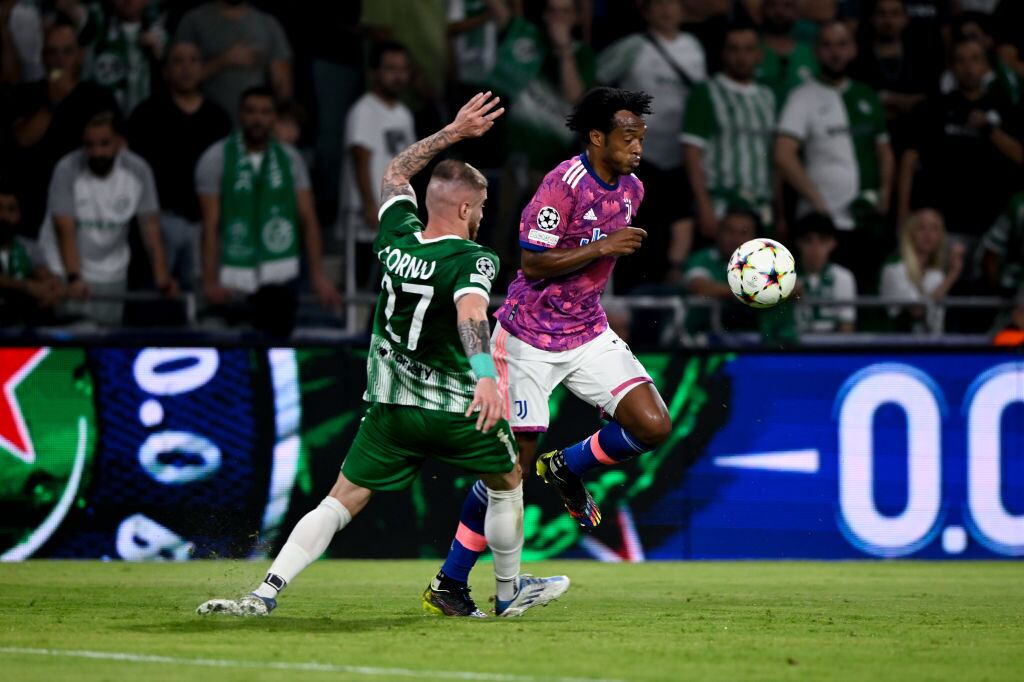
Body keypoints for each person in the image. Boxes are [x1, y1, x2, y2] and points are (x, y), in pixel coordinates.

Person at [197, 92, 569, 619]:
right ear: (466, 209)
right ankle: (509, 591)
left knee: (339, 499)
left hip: (390, 409)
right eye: (481, 208)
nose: (483, 216)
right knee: (508, 482)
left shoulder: (395, 236)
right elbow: (470, 314)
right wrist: (485, 375)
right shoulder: (472, 258)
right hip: (454, 408)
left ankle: (264, 594)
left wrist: (454, 132)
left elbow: (396, 169)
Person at [423, 88, 672, 610]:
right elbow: (532, 264)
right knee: (507, 476)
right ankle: (449, 584)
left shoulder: (632, 189)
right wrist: (604, 245)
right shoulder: (563, 185)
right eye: (628, 137)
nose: (637, 147)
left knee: (652, 425)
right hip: (526, 340)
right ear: (597, 137)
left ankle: (569, 467)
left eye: (641, 137)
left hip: (587, 333)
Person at [195, 86, 341, 335]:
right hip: (233, 273)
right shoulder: (216, 158)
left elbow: (308, 220)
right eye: (251, 111)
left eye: (265, 112)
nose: (257, 118)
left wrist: (317, 276)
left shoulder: (291, 159)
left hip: (279, 279)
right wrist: (210, 280)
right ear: (240, 115)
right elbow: (210, 225)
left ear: (274, 117)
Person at [775, 20, 893, 287]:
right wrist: (817, 202)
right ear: (816, 52)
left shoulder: (866, 95)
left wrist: (885, 193)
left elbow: (884, 151)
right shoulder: (802, 96)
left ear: (853, 49)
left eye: (842, 45)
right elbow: (783, 155)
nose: (835, 52)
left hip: (865, 219)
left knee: (860, 295)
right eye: (827, 45)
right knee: (824, 294)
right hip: (822, 225)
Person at [598, 0, 706, 289]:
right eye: (659, 5)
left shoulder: (694, 47)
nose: (666, 11)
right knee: (632, 227)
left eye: (673, 4)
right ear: (645, 10)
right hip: (636, 156)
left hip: (679, 155)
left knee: (674, 227)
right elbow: (596, 84)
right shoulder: (631, 46)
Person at [37, 110, 175, 326]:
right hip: (66, 267)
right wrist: (73, 278)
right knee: (78, 331)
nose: (96, 152)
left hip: (112, 270)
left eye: (104, 144)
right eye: (90, 145)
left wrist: (162, 278)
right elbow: (65, 229)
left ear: (119, 142)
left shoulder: (138, 171)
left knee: (108, 339)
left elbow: (151, 229)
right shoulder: (67, 169)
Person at [127, 41, 231, 291]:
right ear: (165, 71)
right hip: (160, 221)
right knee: (157, 295)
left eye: (193, 61)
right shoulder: (146, 114)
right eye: (178, 61)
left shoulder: (218, 118)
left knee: (202, 295)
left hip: (204, 224)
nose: (186, 68)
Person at [898, 37, 1023, 243]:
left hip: (991, 227)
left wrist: (989, 130)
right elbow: (909, 160)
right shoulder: (932, 107)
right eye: (960, 60)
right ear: (951, 66)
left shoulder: (1005, 108)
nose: (968, 67)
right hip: (942, 226)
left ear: (986, 66)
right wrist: (903, 213)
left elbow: (1020, 155)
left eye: (975, 60)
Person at [8, 19, 117, 234]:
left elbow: (118, 145)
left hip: (86, 204)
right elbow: (21, 140)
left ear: (80, 55)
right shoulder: (26, 94)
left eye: (67, 52)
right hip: (35, 205)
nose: (60, 60)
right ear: (43, 57)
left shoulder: (98, 96)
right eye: (53, 52)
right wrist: (52, 103)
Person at [682, 23, 777, 257]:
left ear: (758, 55)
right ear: (724, 54)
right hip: (720, 204)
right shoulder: (707, 92)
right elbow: (691, 152)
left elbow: (775, 159)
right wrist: (704, 206)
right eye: (734, 49)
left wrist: (780, 212)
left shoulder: (768, 96)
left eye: (748, 49)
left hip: (759, 207)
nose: (741, 57)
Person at [340, 42, 415, 237]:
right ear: (374, 72)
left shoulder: (404, 115)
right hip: (366, 215)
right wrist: (369, 204)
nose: (398, 76)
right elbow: (360, 160)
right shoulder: (364, 110)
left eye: (403, 69)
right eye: (390, 69)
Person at [174, 0, 292, 124]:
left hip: (254, 128)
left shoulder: (268, 24)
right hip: (205, 123)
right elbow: (176, 76)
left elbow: (283, 86)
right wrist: (224, 61)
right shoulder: (194, 21)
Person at [851, 0, 942, 156]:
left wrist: (887, 98)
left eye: (895, 14)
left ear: (906, 19)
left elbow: (930, 100)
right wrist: (906, 103)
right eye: (882, 14)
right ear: (872, 19)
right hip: (870, 138)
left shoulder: (922, 56)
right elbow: (858, 102)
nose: (888, 21)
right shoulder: (858, 58)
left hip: (915, 138)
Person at [880, 207, 964, 333]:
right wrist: (952, 275)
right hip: (897, 345)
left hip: (932, 347)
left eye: (934, 228)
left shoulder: (937, 275)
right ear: (910, 232)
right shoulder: (894, 268)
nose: (928, 234)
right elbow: (917, 311)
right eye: (921, 227)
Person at [80, 0, 168, 116]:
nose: (128, 1)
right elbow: (85, 80)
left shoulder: (162, 38)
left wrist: (159, 59)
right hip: (108, 121)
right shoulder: (97, 37)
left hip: (150, 119)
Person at [681, 207, 759, 335]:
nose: (735, 238)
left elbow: (791, 288)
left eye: (743, 233)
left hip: (751, 341)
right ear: (719, 232)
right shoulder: (702, 258)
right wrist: (755, 292)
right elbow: (700, 288)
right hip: (696, 338)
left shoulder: (763, 262)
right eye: (729, 231)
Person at [0, 185, 63, 324]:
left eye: (10, 209)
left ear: (19, 215)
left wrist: (53, 286)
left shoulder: (28, 247)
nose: (3, 216)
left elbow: (43, 273)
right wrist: (27, 287)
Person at [792, 211, 857, 334]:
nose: (815, 248)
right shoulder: (784, 277)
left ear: (832, 244)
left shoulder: (843, 277)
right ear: (798, 243)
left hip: (830, 349)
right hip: (793, 347)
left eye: (822, 240)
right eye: (808, 240)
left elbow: (847, 327)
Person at [756, 0, 818, 105]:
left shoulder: (811, 53)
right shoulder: (749, 51)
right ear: (762, 10)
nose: (779, 11)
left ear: (797, 12)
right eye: (773, 5)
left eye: (787, 6)